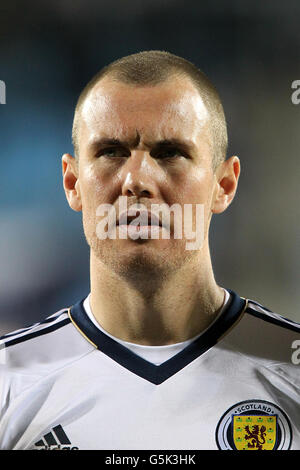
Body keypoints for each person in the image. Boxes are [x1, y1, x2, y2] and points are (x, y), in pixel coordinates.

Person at [0, 50, 299, 451]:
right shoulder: (8, 380)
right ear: (72, 183)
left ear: (223, 185)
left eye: (170, 153)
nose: (136, 180)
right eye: (111, 152)